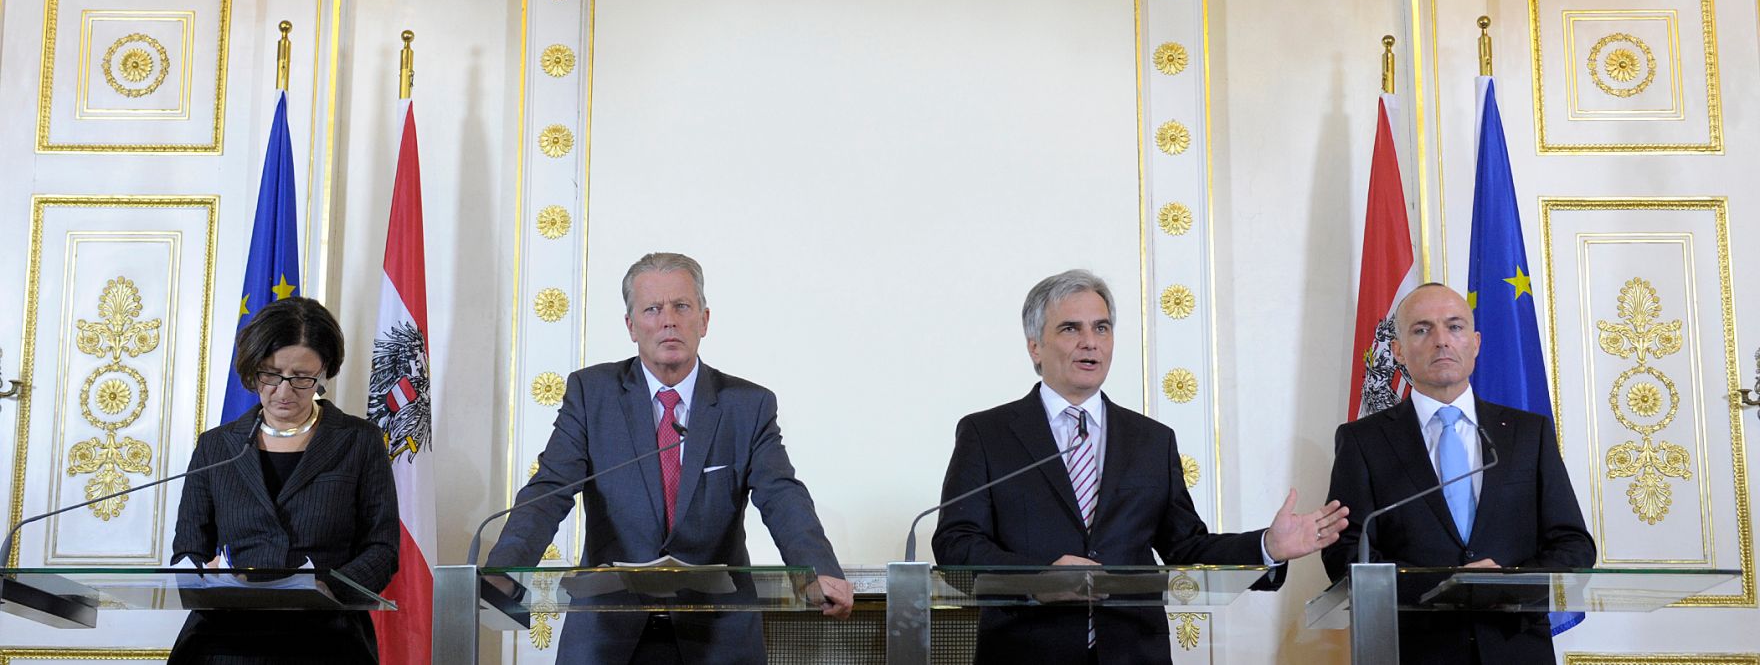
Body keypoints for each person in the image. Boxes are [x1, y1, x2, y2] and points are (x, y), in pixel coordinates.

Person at [932, 269, 1348, 664]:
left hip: (1131, 652)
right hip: (1026, 651)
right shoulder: (988, 434)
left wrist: (1266, 548)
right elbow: (956, 545)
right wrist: (1040, 577)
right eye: (1070, 328)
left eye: (1102, 327)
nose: (1090, 342)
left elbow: (1185, 547)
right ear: (1034, 346)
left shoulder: (1151, 440)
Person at [487, 252, 853, 665]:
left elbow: (781, 494)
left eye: (681, 306)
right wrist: (504, 568)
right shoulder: (592, 395)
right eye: (652, 309)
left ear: (704, 319)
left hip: (717, 635)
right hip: (609, 633)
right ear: (631, 325)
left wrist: (818, 568)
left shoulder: (747, 405)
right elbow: (552, 488)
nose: (668, 320)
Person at [1323, 283, 1595, 664]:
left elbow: (1573, 546)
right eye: (1422, 329)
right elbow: (1346, 553)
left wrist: (1505, 587)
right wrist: (1447, 585)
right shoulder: (1362, 440)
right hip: (1417, 650)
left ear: (1476, 342)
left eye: (1455, 327)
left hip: (1514, 647)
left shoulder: (1527, 433)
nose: (1441, 341)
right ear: (1398, 350)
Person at [170, 297, 400, 664]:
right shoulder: (217, 446)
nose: (283, 391)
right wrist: (202, 574)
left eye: (301, 377)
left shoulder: (359, 441)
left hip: (328, 641)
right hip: (223, 643)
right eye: (271, 375)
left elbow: (381, 549)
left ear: (323, 370)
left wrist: (326, 589)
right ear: (253, 370)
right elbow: (188, 548)